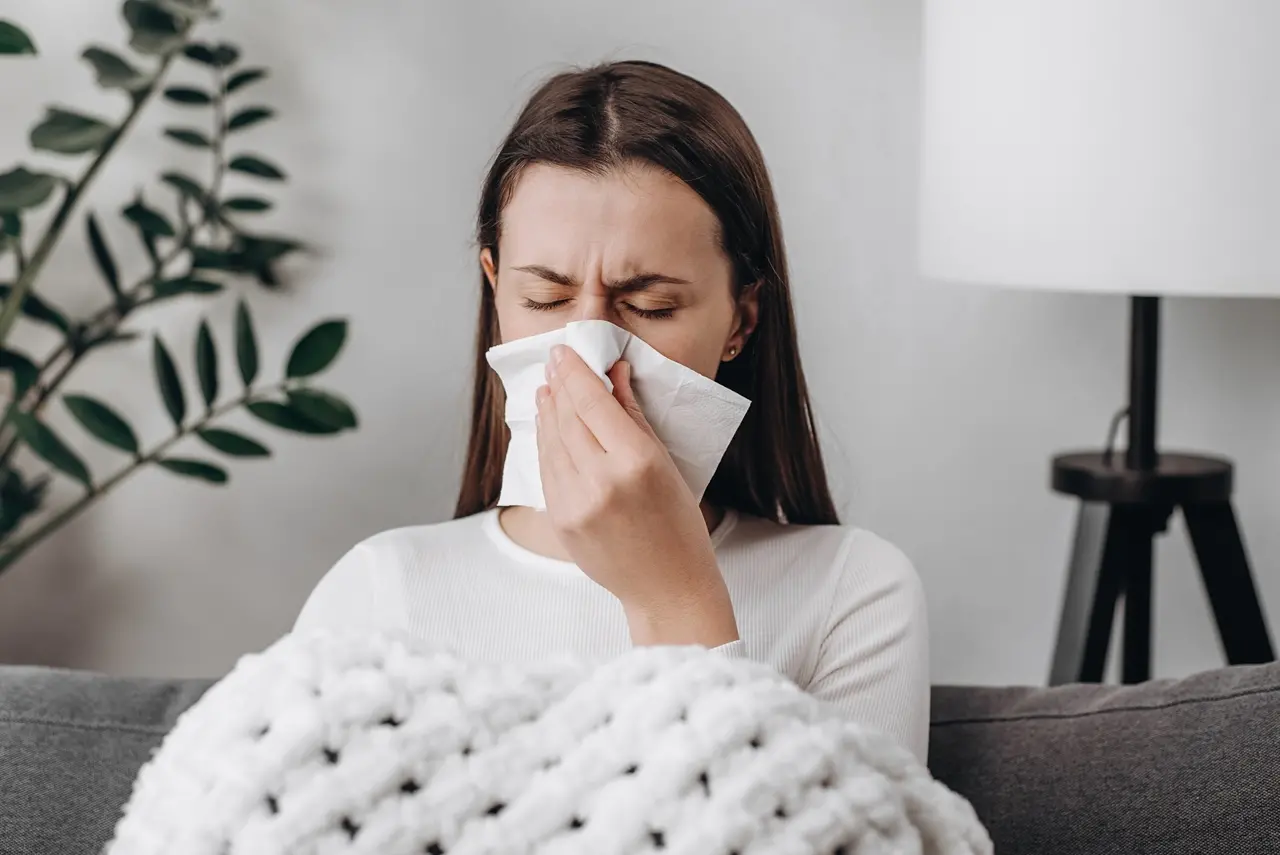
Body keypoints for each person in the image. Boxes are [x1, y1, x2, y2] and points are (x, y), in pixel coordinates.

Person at [294, 60, 930, 761]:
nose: (592, 356)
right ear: (495, 293)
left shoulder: (850, 591)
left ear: (740, 319)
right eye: (544, 299)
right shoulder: (384, 590)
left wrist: (676, 601)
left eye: (650, 305)